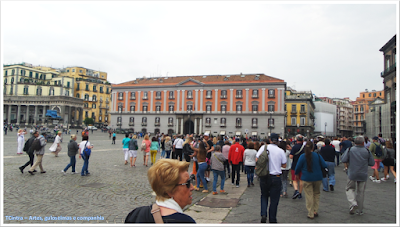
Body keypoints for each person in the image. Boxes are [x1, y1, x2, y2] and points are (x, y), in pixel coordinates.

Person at [125, 159, 196, 223]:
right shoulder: (186, 222)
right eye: (188, 183)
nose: (192, 187)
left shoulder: (135, 214)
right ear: (170, 190)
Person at [257, 133, 287, 223]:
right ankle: (272, 219)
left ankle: (263, 214)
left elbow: (257, 159)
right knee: (274, 200)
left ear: (269, 140)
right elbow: (284, 165)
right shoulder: (281, 151)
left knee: (264, 196)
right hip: (276, 176)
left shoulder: (263, 148)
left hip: (264, 175)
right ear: (277, 141)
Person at [341, 136, 375, 215]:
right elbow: (372, 163)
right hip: (363, 173)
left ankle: (352, 203)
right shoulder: (367, 150)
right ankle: (359, 210)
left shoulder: (350, 150)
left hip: (352, 173)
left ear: (354, 142)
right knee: (361, 192)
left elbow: (343, 159)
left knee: (349, 189)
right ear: (363, 142)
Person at [295, 141, 326, 219]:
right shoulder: (318, 156)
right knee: (316, 194)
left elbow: (298, 167)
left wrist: (296, 174)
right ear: (313, 147)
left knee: (309, 195)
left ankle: (310, 212)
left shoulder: (303, 156)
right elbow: (324, 165)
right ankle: (315, 210)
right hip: (318, 177)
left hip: (306, 178)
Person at [290, 134, 306, 199]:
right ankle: (300, 193)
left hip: (295, 165)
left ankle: (296, 190)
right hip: (303, 165)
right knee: (301, 179)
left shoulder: (294, 147)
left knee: (294, 179)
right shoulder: (304, 147)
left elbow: (291, 156)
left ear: (296, 140)